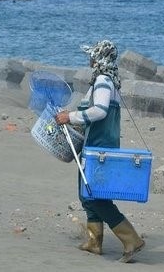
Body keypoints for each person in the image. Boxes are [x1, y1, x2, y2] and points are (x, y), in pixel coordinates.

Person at [55, 40, 145, 263]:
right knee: (86, 194)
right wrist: (72, 115)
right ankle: (94, 242)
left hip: (100, 147)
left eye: (92, 56)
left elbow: (100, 111)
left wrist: (71, 117)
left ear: (99, 59)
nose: (89, 59)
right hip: (96, 145)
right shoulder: (106, 82)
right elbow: (93, 110)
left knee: (95, 197)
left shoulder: (103, 81)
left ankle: (132, 239)